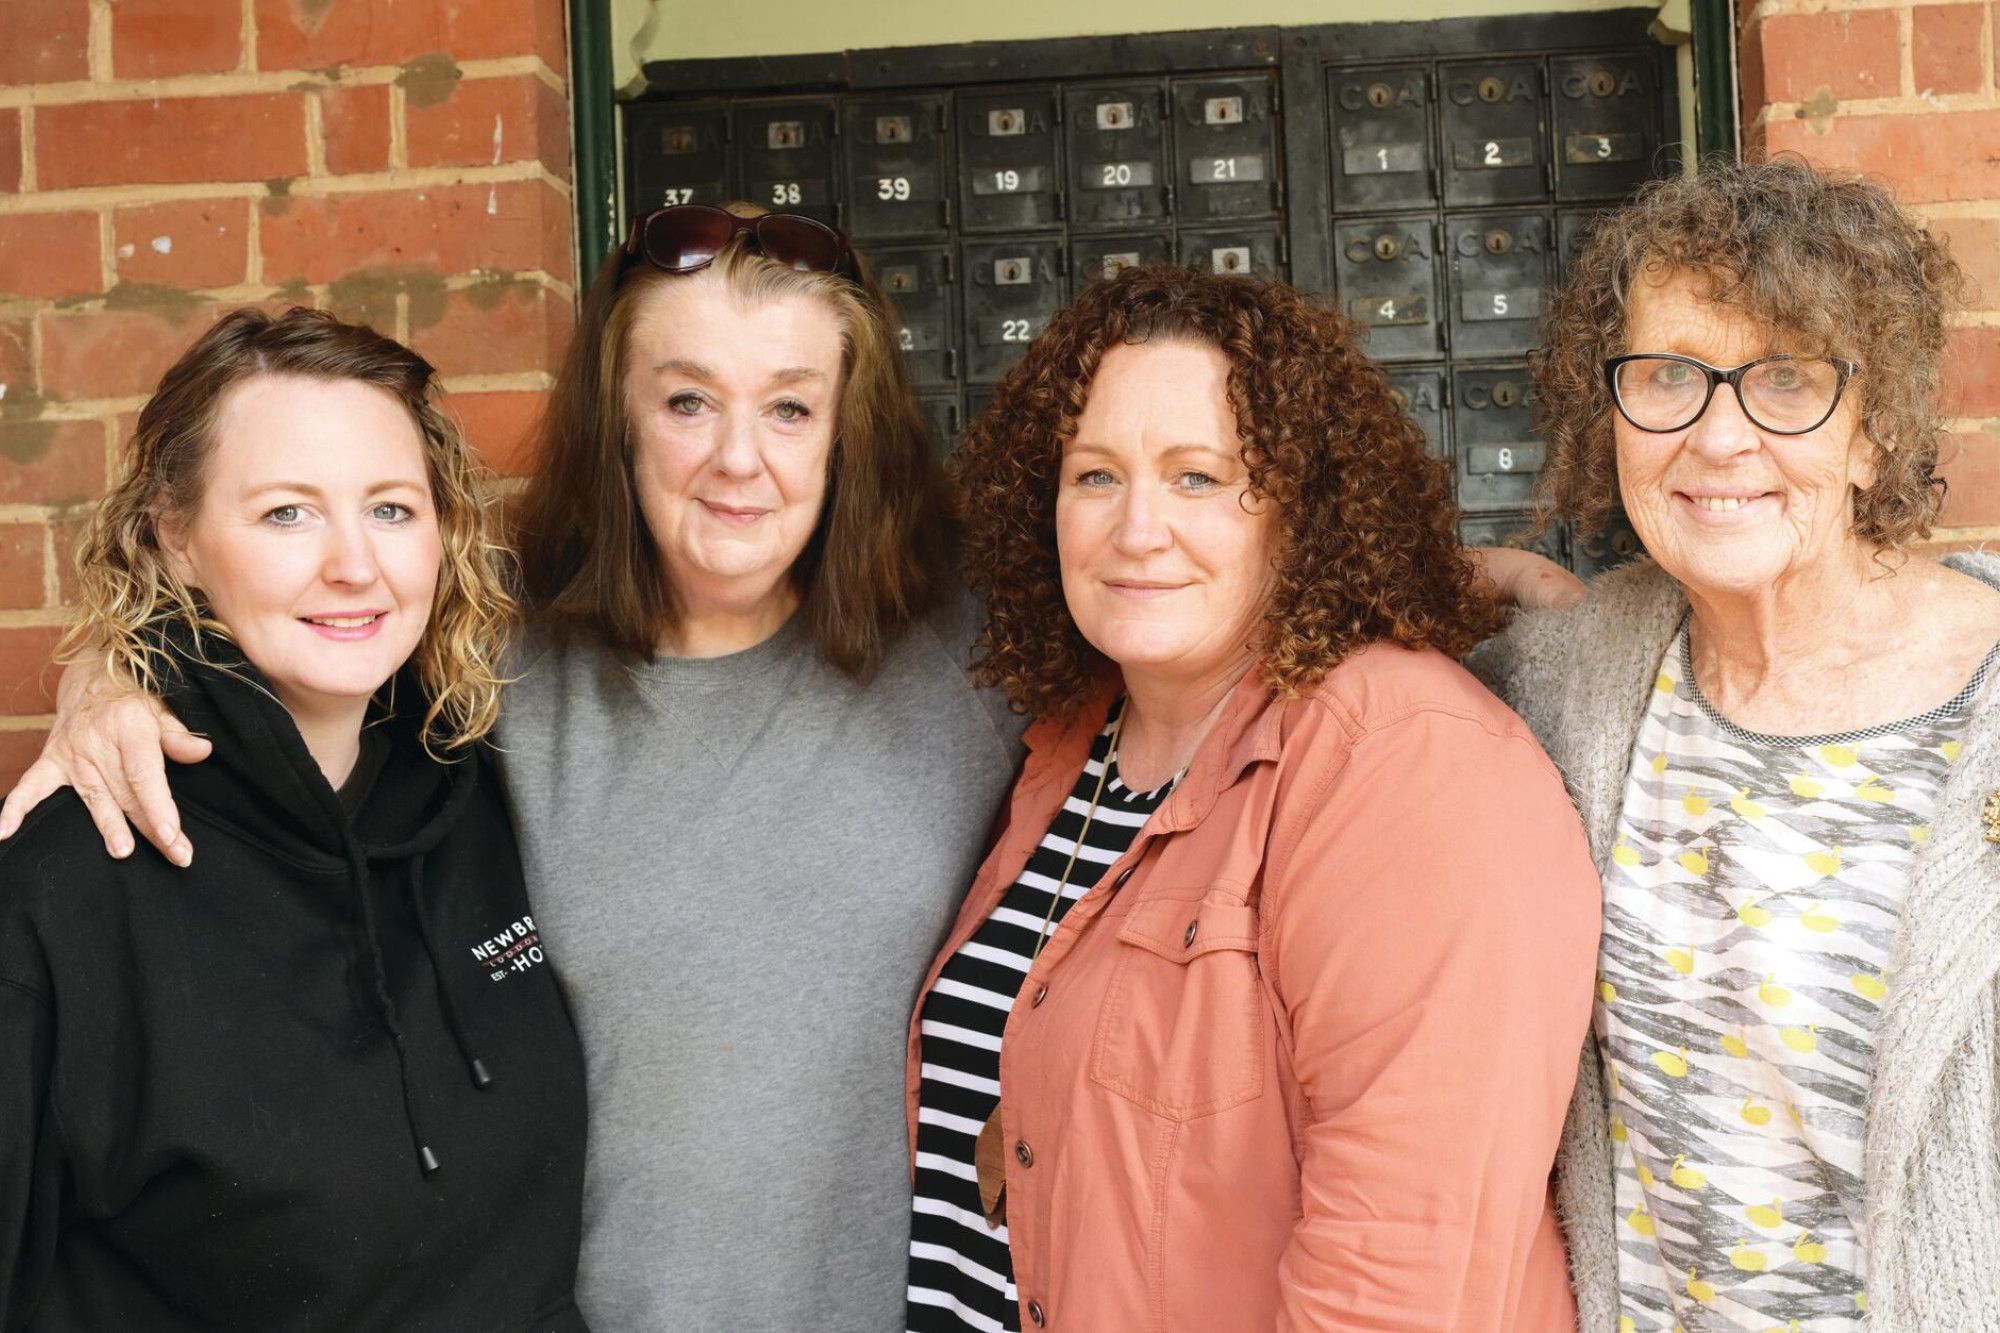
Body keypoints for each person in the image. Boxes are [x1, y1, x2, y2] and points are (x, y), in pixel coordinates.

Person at [3, 209, 1574, 1329]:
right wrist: (117, 677)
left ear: (848, 434)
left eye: (789, 408)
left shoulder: (982, 659)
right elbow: (302, 654)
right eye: (685, 402)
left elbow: (1231, 610)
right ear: (617, 430)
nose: (736, 456)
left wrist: (1482, 595)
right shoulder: (489, 684)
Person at [903, 266, 1602, 1333]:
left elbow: (1396, 1284)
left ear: (1303, 506)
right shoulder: (1068, 741)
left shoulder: (1405, 766)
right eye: (1094, 476)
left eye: (1198, 478)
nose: (1134, 529)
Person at [1472, 158, 2000, 1331]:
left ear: (1874, 431)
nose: (1717, 436)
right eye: (1665, 377)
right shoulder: (1575, 676)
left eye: (1783, 381)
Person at [0, 308, 588, 1330]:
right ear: (173, 536)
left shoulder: (487, 787)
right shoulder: (64, 887)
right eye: (287, 513)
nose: (355, 564)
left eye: (393, 509)